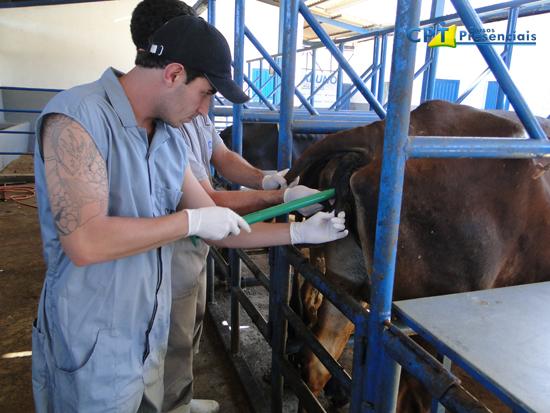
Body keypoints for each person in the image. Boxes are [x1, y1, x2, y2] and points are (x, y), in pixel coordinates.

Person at [32, 14, 348, 413]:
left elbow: (219, 227)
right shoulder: (77, 118)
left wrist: (299, 233)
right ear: (174, 73)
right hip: (92, 337)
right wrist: (190, 221)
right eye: (206, 93)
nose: (205, 111)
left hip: (148, 325)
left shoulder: (164, 137)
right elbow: (85, 241)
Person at [130, 2, 323, 413]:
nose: (206, 106)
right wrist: (280, 199)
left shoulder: (191, 101)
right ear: (170, 61)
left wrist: (264, 177)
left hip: (196, 236)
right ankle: (171, 405)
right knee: (172, 332)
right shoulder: (163, 118)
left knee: (191, 321)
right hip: (176, 240)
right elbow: (210, 201)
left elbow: (220, 155)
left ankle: (178, 395)